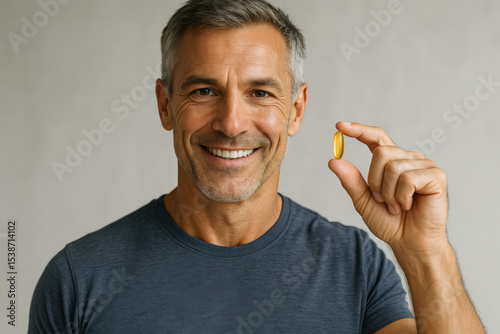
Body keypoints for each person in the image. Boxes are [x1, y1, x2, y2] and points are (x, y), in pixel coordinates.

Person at [29, 0, 486, 333]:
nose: (231, 123)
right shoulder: (78, 279)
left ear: (296, 110)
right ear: (165, 105)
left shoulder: (355, 266)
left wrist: (426, 253)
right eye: (204, 91)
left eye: (261, 93)